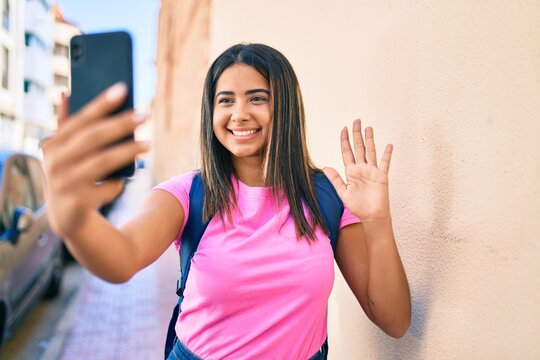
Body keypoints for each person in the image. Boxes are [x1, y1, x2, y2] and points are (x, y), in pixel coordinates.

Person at [41, 43, 411, 360]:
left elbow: (393, 320)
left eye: (257, 98)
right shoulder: (187, 194)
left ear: (286, 107)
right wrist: (75, 220)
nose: (239, 114)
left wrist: (378, 222)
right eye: (225, 101)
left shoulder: (328, 197)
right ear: (211, 113)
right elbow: (121, 256)